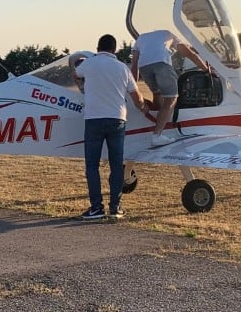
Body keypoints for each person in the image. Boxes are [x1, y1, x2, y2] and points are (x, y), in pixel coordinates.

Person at [70, 34, 146, 221]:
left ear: (97, 48)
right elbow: (137, 98)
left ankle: (96, 208)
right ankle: (115, 207)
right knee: (116, 166)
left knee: (92, 166)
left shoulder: (89, 64)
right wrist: (146, 108)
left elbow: (75, 73)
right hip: (117, 120)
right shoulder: (123, 68)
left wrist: (82, 83)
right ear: (114, 50)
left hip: (94, 119)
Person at [130, 29, 212, 146]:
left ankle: (158, 126)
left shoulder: (141, 38)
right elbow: (190, 54)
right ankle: (157, 135)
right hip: (162, 63)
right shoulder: (169, 34)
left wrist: (132, 86)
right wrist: (206, 69)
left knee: (157, 93)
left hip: (144, 66)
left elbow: (134, 65)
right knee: (171, 98)